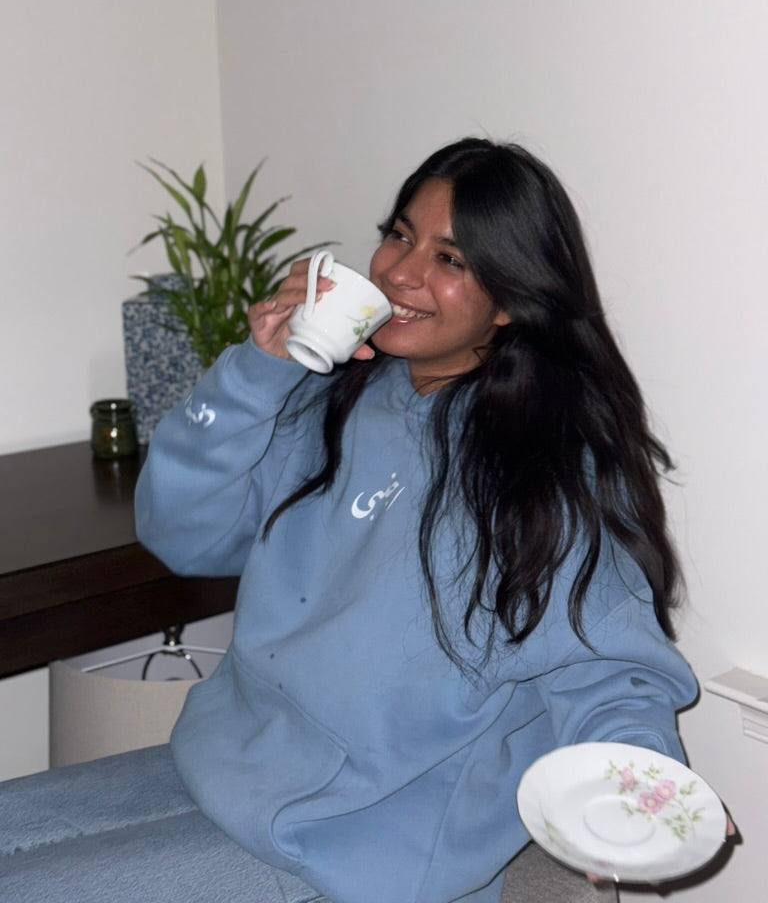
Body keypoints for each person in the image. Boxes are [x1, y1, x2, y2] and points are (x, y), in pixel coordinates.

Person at [0, 138, 698, 903]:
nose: (399, 271)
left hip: (358, 845)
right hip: (226, 762)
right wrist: (259, 366)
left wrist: (638, 810)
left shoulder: (543, 473)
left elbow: (607, 672)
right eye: (400, 235)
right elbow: (181, 533)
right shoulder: (336, 396)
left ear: (510, 301)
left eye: (451, 259)